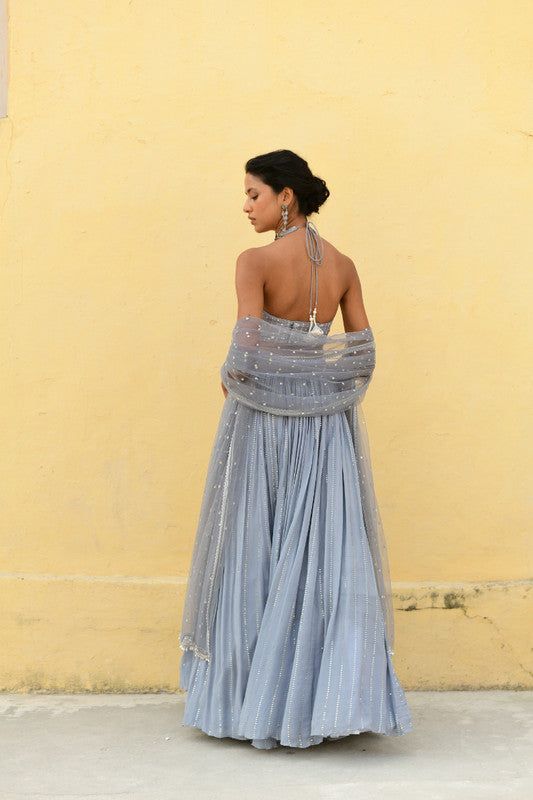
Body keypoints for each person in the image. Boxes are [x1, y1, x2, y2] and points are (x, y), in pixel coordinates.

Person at [178, 149, 413, 749]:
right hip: (327, 422)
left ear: (286, 197)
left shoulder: (254, 262)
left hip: (261, 419)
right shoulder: (344, 265)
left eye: (253, 193)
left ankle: (251, 701)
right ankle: (327, 700)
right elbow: (363, 352)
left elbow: (246, 351)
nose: (246, 206)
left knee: (255, 541)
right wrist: (320, 379)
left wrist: (234, 380)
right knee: (324, 546)